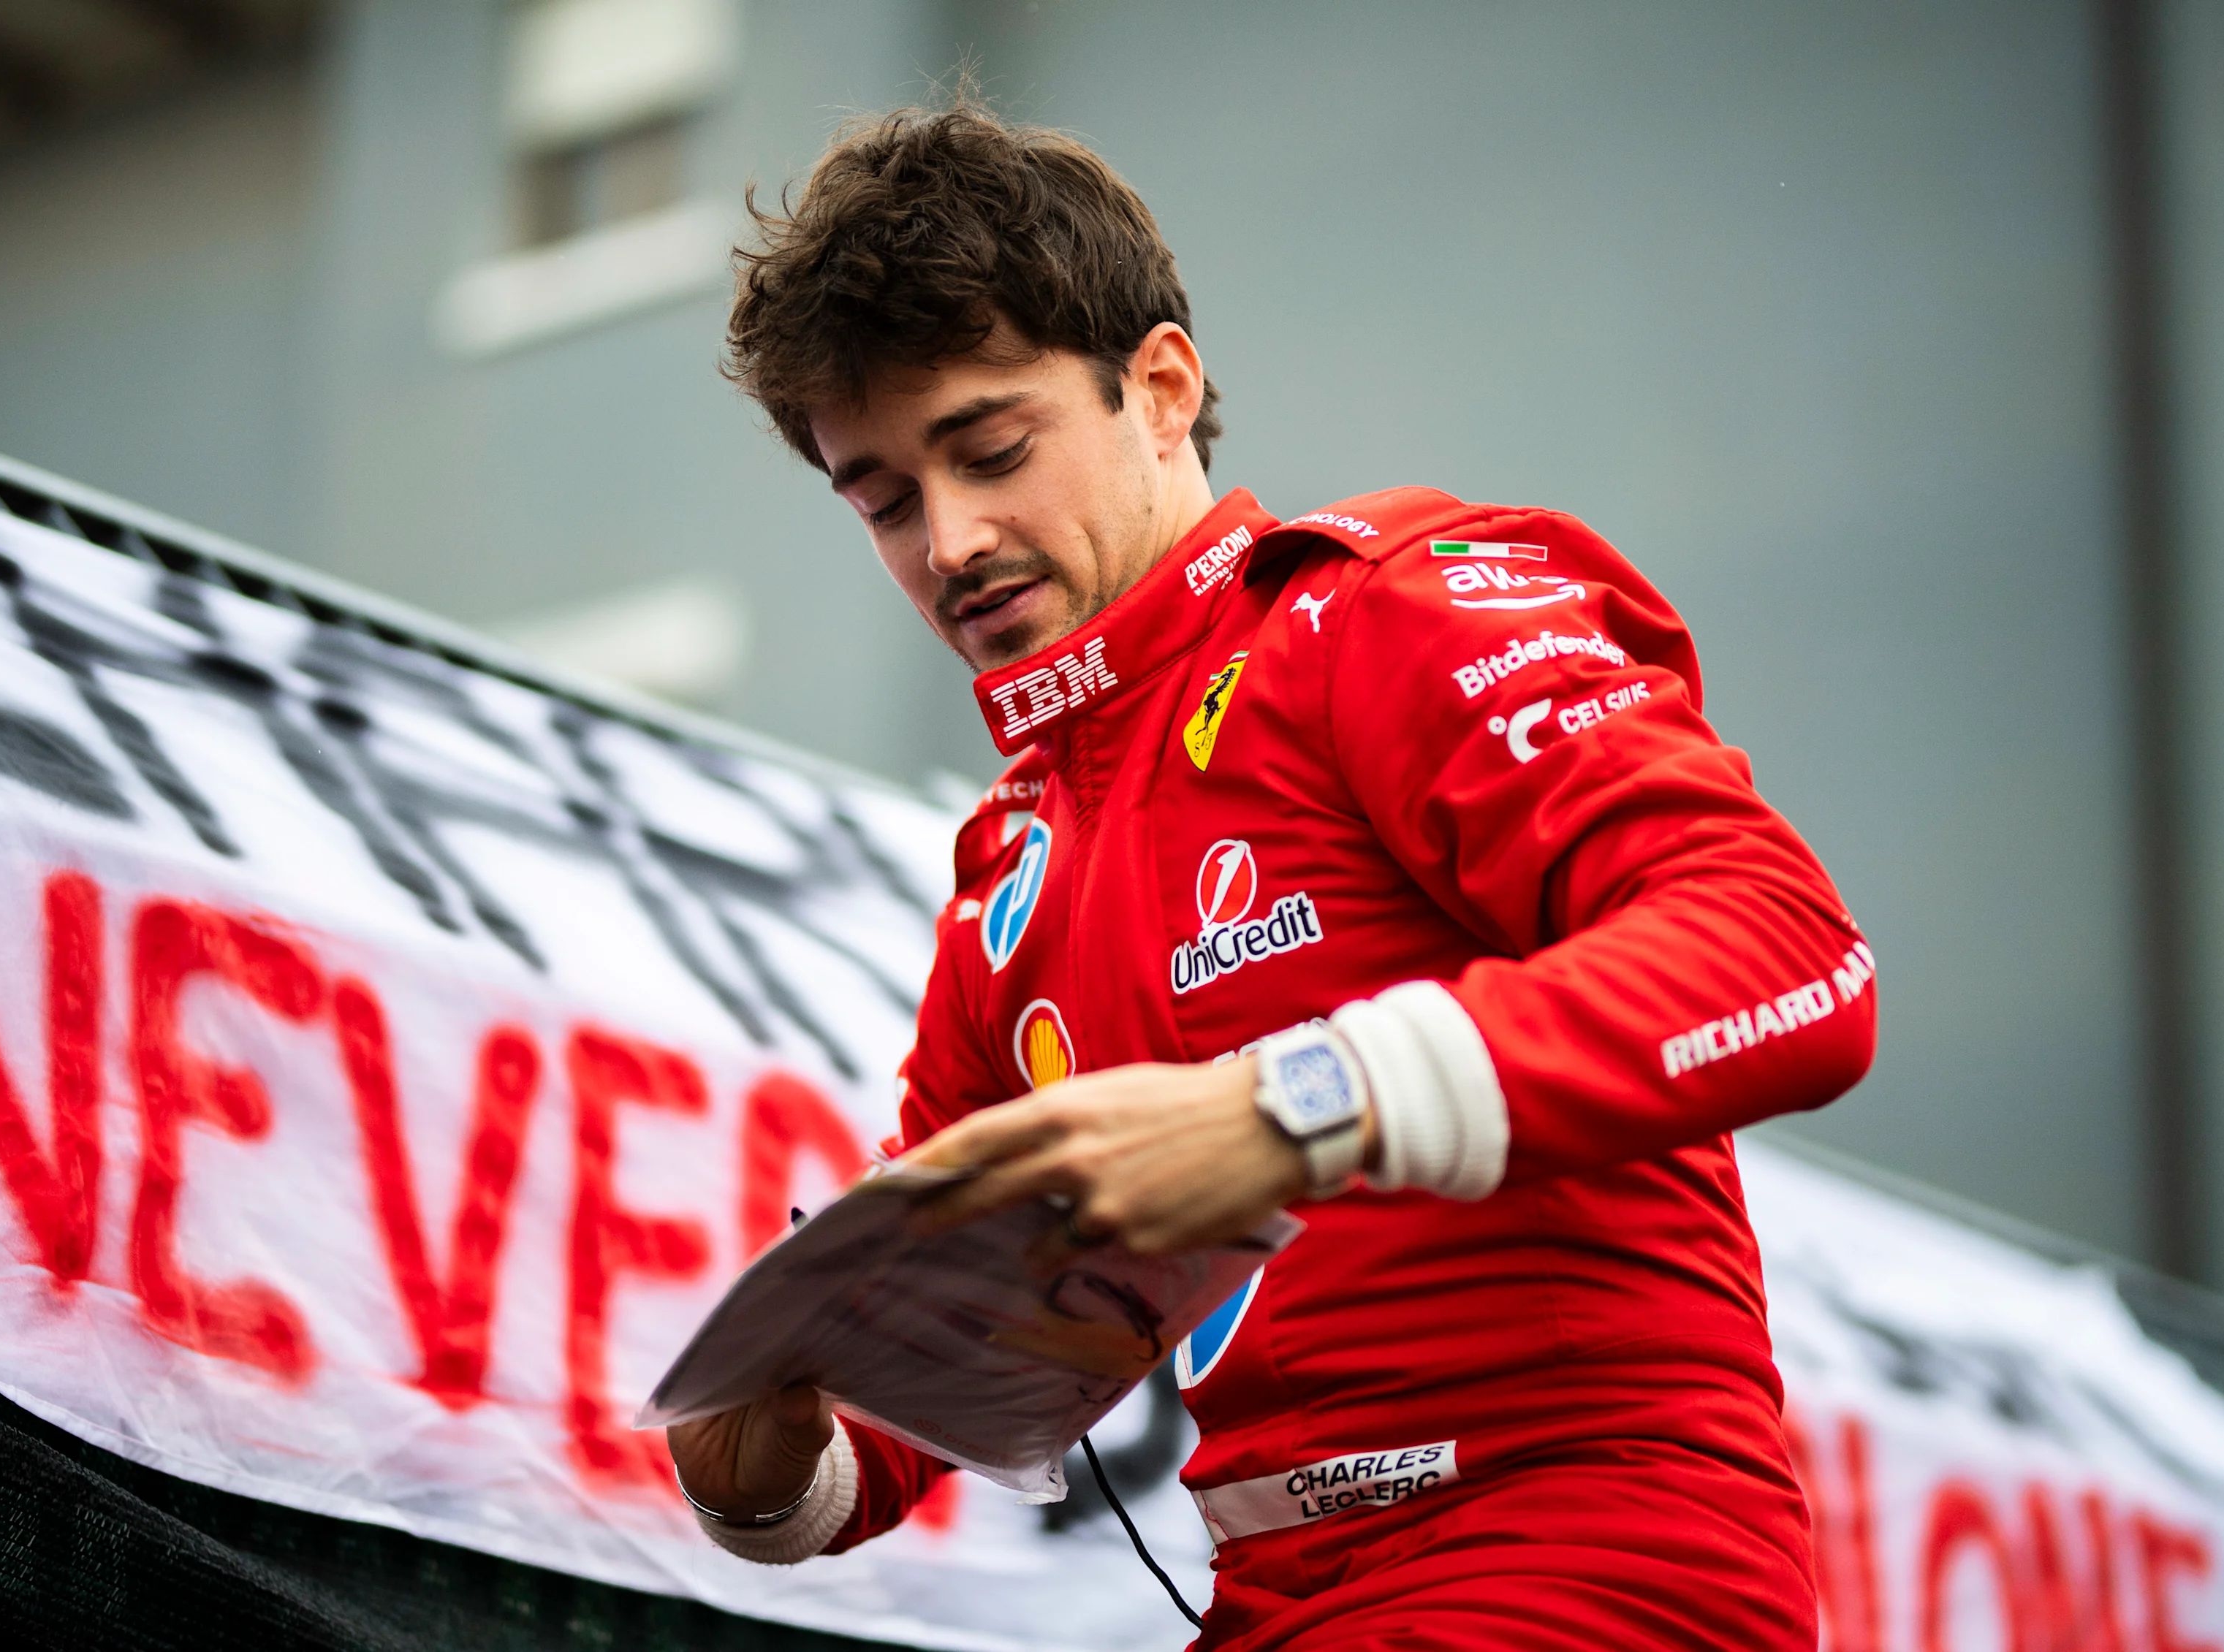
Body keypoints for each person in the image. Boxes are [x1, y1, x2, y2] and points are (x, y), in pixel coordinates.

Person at [667, 97, 1878, 1652]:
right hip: (1275, 1599)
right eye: (884, 500)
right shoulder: (1009, 875)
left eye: (988, 449)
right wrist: (774, 1470)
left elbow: (1791, 959)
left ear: (1159, 389)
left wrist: (1286, 1109)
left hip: (1582, 1553)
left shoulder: (1386, 608)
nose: (950, 538)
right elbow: (956, 1355)